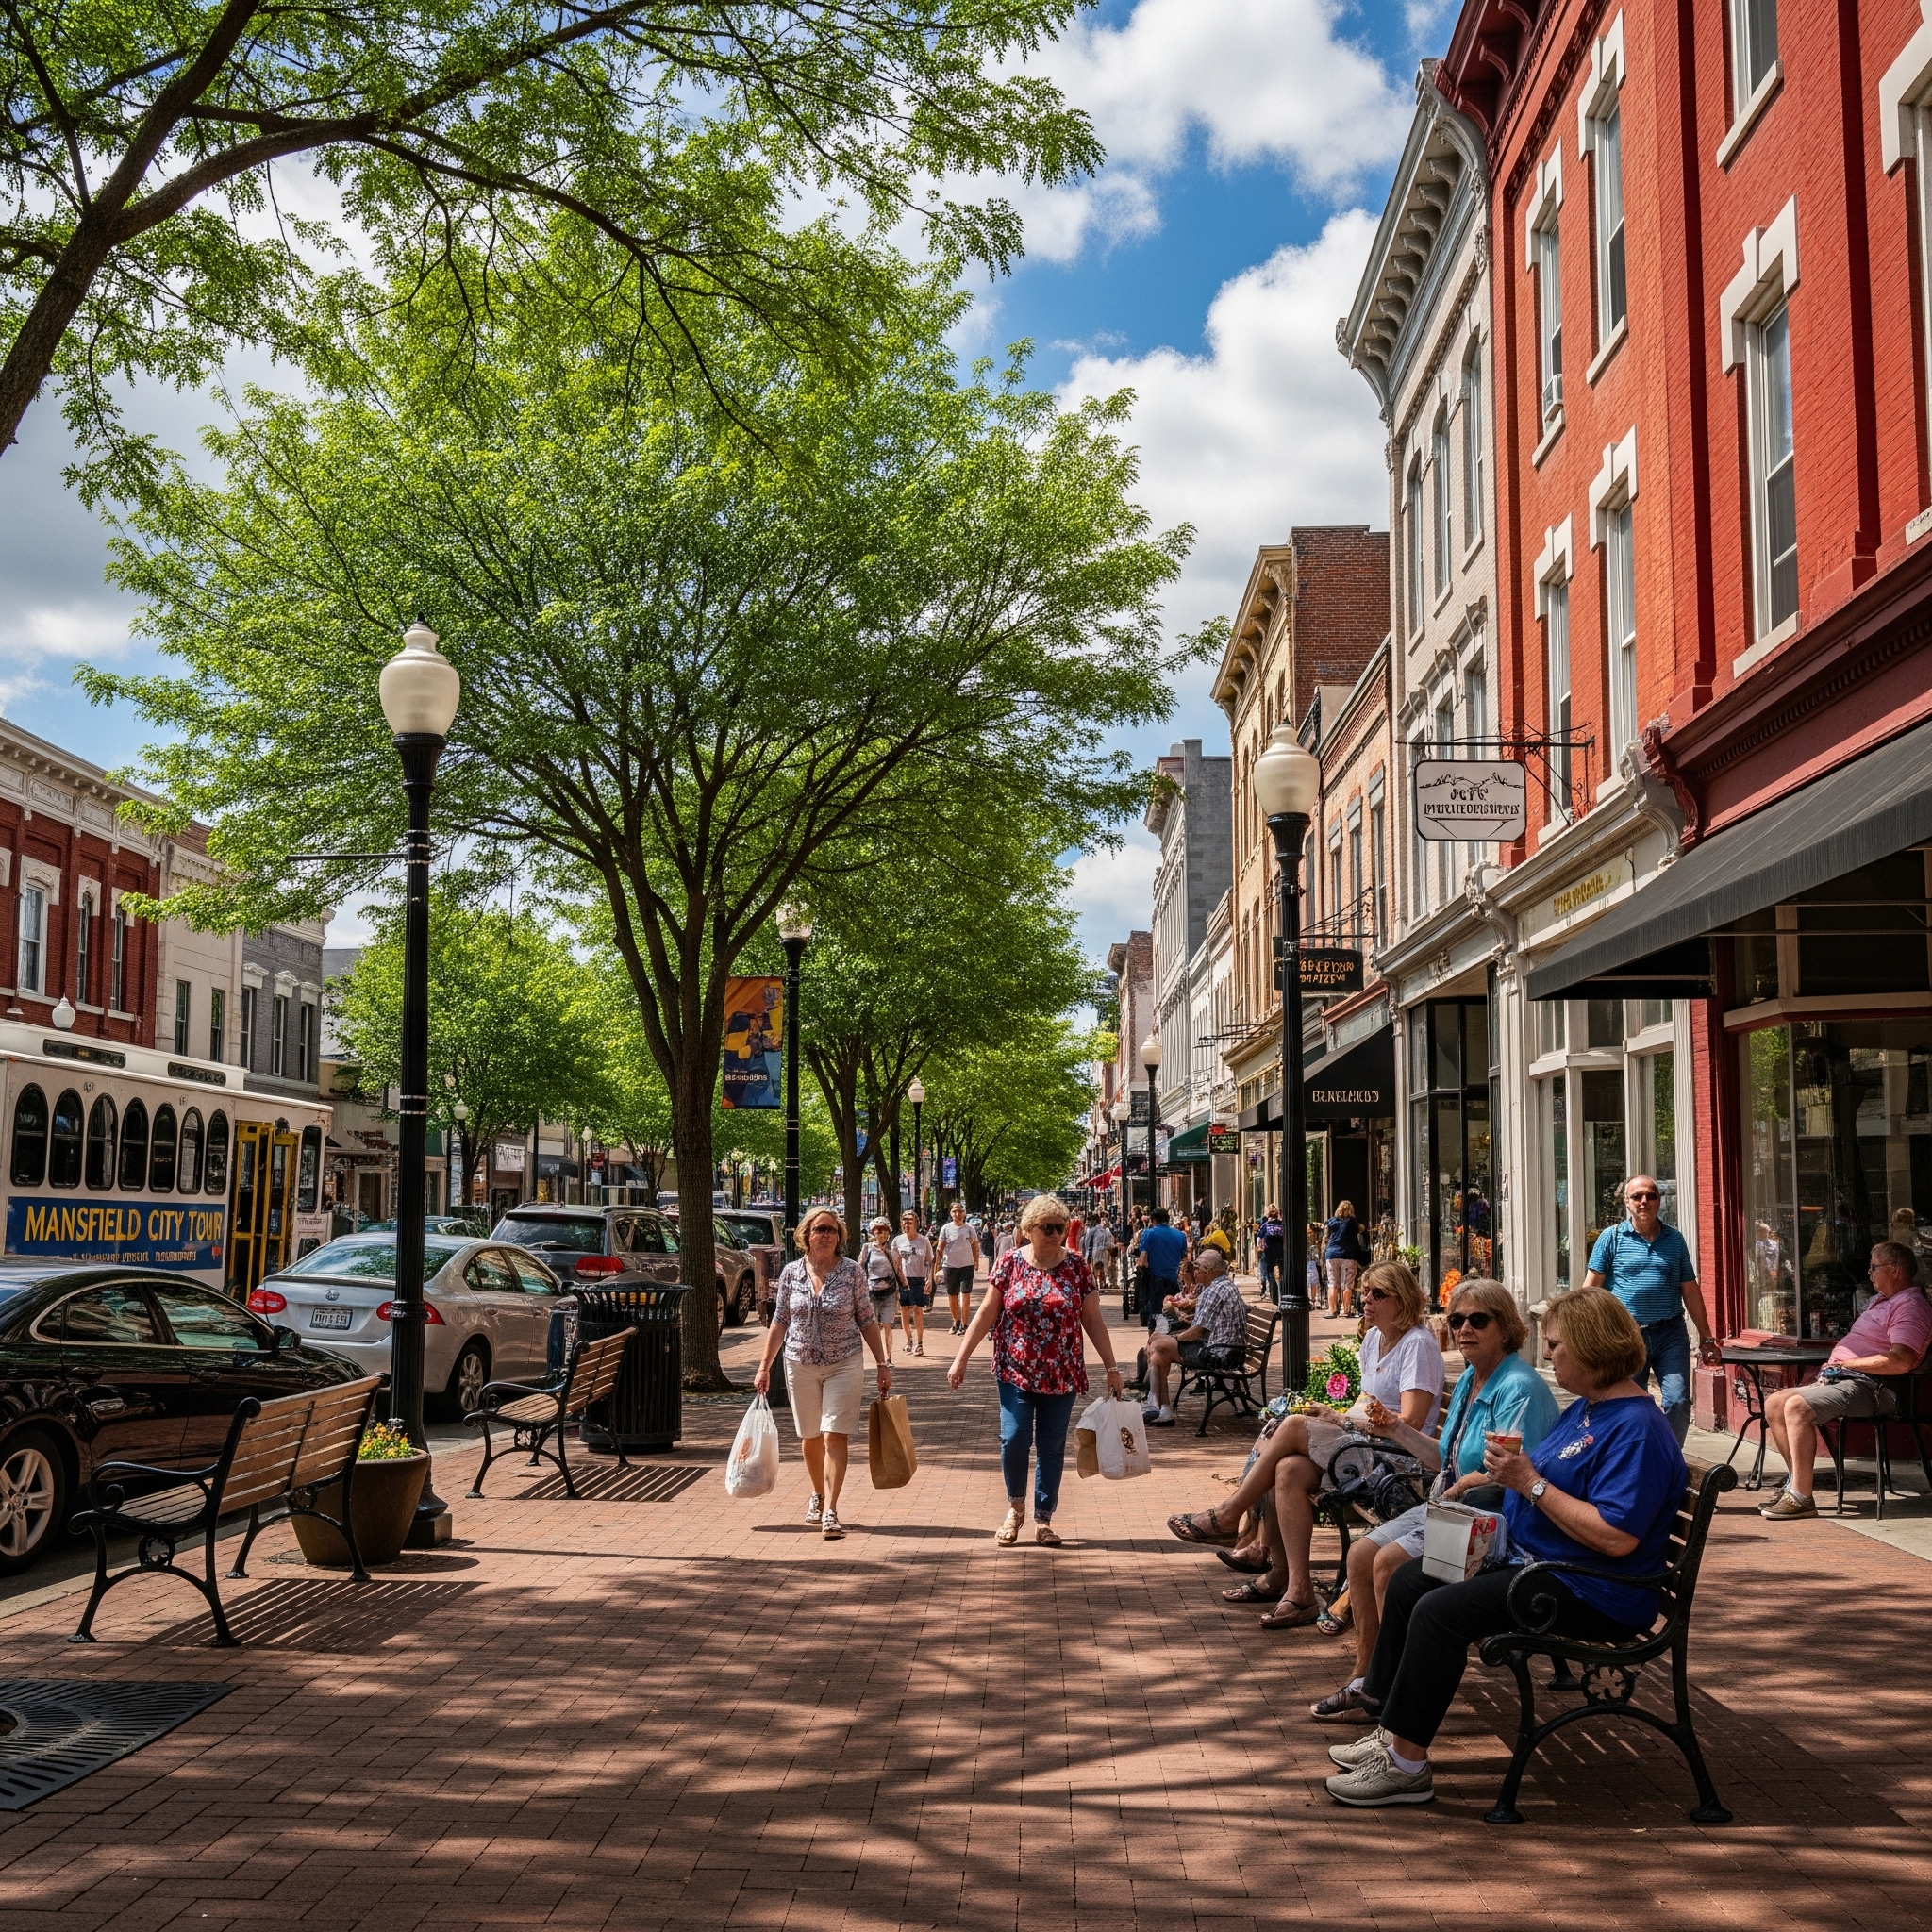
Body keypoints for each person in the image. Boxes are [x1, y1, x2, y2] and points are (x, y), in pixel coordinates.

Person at [1324, 1286, 1687, 1807]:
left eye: (1558, 1345)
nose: (1549, 1355)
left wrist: (1529, 1485)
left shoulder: (1635, 1429)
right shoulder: (1590, 1408)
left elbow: (1615, 1535)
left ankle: (1406, 1766)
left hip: (1587, 1589)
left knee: (1438, 1611)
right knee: (1408, 1581)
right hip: (1541, 1567)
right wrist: (1504, 1482)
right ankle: (1390, 1735)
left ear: (1592, 1348)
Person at [1309, 1278, 1560, 1725]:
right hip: (1455, 1505)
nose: (1464, 1329)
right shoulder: (1469, 1377)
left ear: (1505, 1329)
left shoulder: (1518, 1387)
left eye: (1478, 1320)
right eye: (1457, 1319)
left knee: (1388, 1564)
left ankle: (1397, 1695)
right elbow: (1443, 1457)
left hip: (1493, 1520)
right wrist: (1396, 1431)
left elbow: (1511, 1473)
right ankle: (1367, 1677)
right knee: (1361, 1554)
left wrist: (1457, 1489)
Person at [1166, 1260, 1443, 1627]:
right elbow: (1367, 1401)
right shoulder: (1375, 1338)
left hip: (1397, 1461)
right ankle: (1297, 1589)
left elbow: (1408, 1421)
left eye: (1378, 1294)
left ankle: (1232, 1514)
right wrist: (1337, 1417)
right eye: (1365, 1291)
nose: (1366, 1299)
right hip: (1363, 1446)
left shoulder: (1418, 1345)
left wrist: (1339, 1420)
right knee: (1288, 1469)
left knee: (1293, 1425)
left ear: (1403, 1299)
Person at [947, 1192, 1124, 1546]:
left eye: (1061, 1227)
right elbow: (985, 1313)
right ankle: (1015, 1508)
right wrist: (961, 1357)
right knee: (1013, 1439)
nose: (1055, 1233)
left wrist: (1112, 1367)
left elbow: (1092, 1318)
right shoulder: (1010, 1263)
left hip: (1061, 1372)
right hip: (1015, 1369)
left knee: (1051, 1445)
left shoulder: (1077, 1267)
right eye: (1048, 1227)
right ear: (1029, 1229)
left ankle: (1044, 1518)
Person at [1758, 1240, 1932, 1520]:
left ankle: (1802, 1498)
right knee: (1775, 1403)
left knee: (1796, 1407)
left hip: (1874, 1386)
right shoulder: (1882, 1302)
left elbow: (1902, 1359)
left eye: (1875, 1267)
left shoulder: (1910, 1306)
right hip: (1846, 1379)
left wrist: (1847, 1363)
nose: (1870, 1273)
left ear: (1896, 1269)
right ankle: (1795, 1485)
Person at [755, 1207, 893, 1541]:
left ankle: (831, 1508)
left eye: (832, 1230)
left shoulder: (851, 1273)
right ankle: (817, 1493)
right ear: (806, 1235)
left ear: (839, 1236)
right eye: (820, 1229)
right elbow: (780, 1321)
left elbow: (866, 1319)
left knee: (835, 1434)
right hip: (799, 1361)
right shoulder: (791, 1273)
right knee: (810, 1435)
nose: (826, 1235)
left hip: (844, 1361)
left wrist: (882, 1363)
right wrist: (764, 1367)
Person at [1583, 1173, 1718, 1442]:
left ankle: (1669, 1460)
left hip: (1670, 1333)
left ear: (1659, 1200)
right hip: (1626, 1336)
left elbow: (1689, 1289)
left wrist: (1707, 1337)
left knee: (1678, 1401)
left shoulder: (1675, 1240)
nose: (1644, 1201)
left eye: (1651, 1196)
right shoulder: (1611, 1238)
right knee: (1630, 1406)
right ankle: (1635, 1457)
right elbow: (1590, 1290)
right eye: (1637, 1196)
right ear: (1626, 1202)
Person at [1141, 1246, 1245, 1427]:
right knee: (1159, 1352)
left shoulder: (1214, 1291)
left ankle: (1154, 1400)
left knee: (1157, 1343)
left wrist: (1176, 1338)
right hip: (1230, 1350)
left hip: (1217, 1353)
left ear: (1209, 1271)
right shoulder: (1224, 1286)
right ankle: (1162, 1408)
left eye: (1198, 1268)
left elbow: (1198, 1331)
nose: (1195, 1272)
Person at [1134, 1207, 1188, 1333]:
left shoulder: (1148, 1233)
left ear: (1154, 1220)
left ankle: (1155, 1340)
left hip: (1155, 1278)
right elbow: (1183, 1257)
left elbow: (1143, 1257)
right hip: (1174, 1279)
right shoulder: (1180, 1235)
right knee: (1173, 1311)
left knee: (1156, 1312)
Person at [861, 1217, 906, 1363]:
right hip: (871, 1292)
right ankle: (877, 1356)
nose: (881, 1233)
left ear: (888, 1232)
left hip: (890, 1292)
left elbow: (899, 1271)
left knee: (887, 1325)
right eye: (878, 1230)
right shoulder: (867, 1248)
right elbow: (860, 1269)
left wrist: (905, 1288)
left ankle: (888, 1357)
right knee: (873, 1326)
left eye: (884, 1230)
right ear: (873, 1232)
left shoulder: (893, 1250)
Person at [892, 1209, 934, 1358]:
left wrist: (929, 1279)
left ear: (916, 1223)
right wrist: (897, 1283)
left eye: (910, 1221)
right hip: (904, 1279)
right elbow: (895, 1263)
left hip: (918, 1279)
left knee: (917, 1309)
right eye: (904, 1220)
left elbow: (929, 1261)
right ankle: (908, 1340)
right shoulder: (897, 1241)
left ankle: (920, 1343)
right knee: (904, 1309)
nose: (907, 1224)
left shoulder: (924, 1241)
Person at [937, 1203, 980, 1337]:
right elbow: (940, 1248)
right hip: (950, 1266)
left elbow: (975, 1245)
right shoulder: (946, 1229)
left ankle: (964, 1324)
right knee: (952, 1295)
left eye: (960, 1211)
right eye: (955, 1211)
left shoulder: (969, 1229)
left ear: (964, 1213)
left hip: (966, 1266)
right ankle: (956, 1321)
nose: (957, 1214)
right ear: (951, 1214)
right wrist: (937, 1266)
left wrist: (976, 1260)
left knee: (966, 1295)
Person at [1324, 1200, 1362, 1318]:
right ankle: (1345, 1311)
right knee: (1347, 1285)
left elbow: (1325, 1238)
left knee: (1332, 1283)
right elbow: (1361, 1229)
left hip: (1332, 1255)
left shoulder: (1331, 1222)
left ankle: (1332, 1310)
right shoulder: (1353, 1223)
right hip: (1348, 1255)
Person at [1257, 1204, 1284, 1302]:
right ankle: (1283, 1294)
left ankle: (1275, 1298)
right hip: (1281, 1252)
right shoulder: (1282, 1224)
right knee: (1282, 1275)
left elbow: (1259, 1235)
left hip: (1269, 1253)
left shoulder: (1265, 1225)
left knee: (1270, 1274)